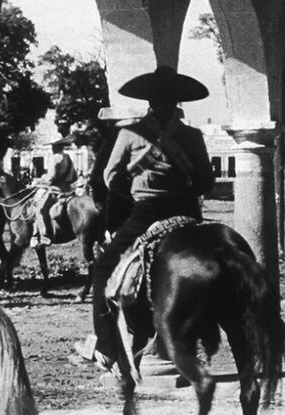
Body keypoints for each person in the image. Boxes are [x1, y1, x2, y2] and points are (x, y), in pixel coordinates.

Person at [73, 66, 215, 371]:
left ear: (149, 104)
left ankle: (107, 347)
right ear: (178, 103)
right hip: (186, 212)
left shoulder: (128, 134)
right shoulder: (192, 135)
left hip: (146, 212)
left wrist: (136, 195)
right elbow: (205, 181)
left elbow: (111, 178)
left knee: (102, 270)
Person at [31, 138, 79, 247]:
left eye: (53, 146)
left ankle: (44, 236)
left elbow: (51, 177)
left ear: (57, 147)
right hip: (68, 190)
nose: (52, 148)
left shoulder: (53, 158)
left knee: (40, 209)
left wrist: (40, 181)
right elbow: (74, 177)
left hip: (55, 190)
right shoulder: (68, 157)